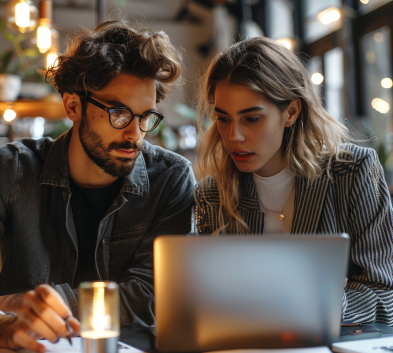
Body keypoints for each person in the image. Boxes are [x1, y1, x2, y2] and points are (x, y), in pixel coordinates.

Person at [0, 18, 195, 351]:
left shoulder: (171, 178)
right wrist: (7, 324)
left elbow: (151, 294)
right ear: (73, 106)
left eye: (145, 117)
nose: (134, 134)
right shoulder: (12, 171)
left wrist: (20, 302)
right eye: (119, 113)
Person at [194, 36, 393, 325]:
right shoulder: (213, 194)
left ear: (290, 112)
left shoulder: (353, 173)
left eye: (251, 119)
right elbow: (209, 302)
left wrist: (320, 303)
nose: (233, 135)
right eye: (223, 118)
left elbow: (385, 296)